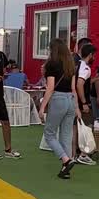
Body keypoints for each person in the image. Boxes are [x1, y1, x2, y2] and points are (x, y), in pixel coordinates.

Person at [39, 38, 78, 180]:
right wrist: (77, 107)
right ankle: (65, 168)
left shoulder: (52, 64)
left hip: (58, 99)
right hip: (70, 100)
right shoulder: (71, 64)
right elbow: (74, 89)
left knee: (49, 133)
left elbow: (50, 87)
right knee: (66, 136)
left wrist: (42, 107)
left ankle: (65, 160)